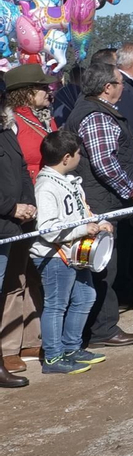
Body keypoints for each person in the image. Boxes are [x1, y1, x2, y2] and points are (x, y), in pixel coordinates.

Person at [63, 65, 133, 348]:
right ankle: (102, 329)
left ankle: (97, 327)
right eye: (119, 82)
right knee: (102, 266)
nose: (123, 87)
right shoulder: (97, 115)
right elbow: (105, 164)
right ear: (106, 87)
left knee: (102, 266)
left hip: (101, 199)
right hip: (99, 202)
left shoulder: (93, 109)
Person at [31, 129, 111, 375]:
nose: (80, 158)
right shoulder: (45, 186)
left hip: (76, 254)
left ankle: (71, 348)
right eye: (78, 154)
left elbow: (80, 212)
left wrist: (99, 222)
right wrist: (82, 228)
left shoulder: (69, 180)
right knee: (57, 305)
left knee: (85, 298)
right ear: (66, 157)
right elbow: (46, 228)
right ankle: (53, 358)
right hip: (54, 256)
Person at [0, 96, 39, 387]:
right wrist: (10, 207)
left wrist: (27, 204)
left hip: (9, 227)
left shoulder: (7, 131)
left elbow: (23, 170)